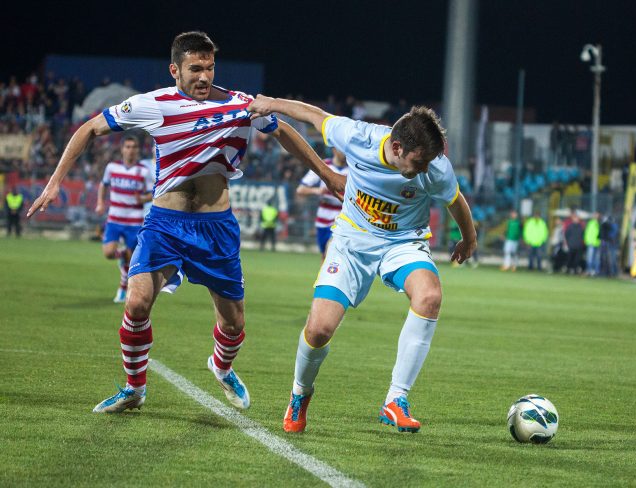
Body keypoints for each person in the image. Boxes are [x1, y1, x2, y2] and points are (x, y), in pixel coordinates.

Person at [27, 31, 345, 414]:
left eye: (210, 68)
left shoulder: (241, 106)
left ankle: (222, 366)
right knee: (138, 302)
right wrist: (55, 180)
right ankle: (134, 388)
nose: (204, 77)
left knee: (233, 324)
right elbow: (89, 128)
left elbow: (286, 134)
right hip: (165, 223)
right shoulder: (153, 104)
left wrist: (328, 176)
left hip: (216, 228)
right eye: (196, 68)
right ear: (175, 69)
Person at [248, 95, 476, 433]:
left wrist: (469, 239)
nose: (425, 169)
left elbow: (454, 201)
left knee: (429, 297)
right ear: (396, 147)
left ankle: (395, 399)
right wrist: (270, 103)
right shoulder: (358, 136)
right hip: (352, 242)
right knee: (319, 329)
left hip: (403, 243)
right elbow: (314, 115)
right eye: (418, 162)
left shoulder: (435, 166)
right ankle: (300, 392)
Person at [96, 135, 154, 303]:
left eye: (134, 147)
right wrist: (100, 203)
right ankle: (120, 255)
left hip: (134, 221)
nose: (130, 150)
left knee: (130, 261)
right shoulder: (112, 167)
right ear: (122, 149)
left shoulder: (143, 171)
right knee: (108, 253)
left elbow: (153, 193)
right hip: (114, 218)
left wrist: (142, 199)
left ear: (137, 150)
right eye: (127, 147)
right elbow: (103, 185)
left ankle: (122, 289)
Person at [296, 147, 348, 259]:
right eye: (342, 149)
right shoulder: (324, 166)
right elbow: (300, 189)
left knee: (332, 251)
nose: (345, 153)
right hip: (323, 217)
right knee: (324, 256)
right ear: (334, 149)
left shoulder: (353, 168)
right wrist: (317, 191)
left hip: (343, 216)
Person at [563, 208, 585, 275]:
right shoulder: (570, 226)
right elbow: (566, 235)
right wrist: (568, 242)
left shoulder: (581, 227)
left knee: (577, 259)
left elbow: (583, 236)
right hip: (571, 245)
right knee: (570, 258)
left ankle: (575, 270)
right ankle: (568, 269)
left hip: (578, 245)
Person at [584, 212, 601, 277]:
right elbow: (587, 232)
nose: (596, 216)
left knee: (596, 258)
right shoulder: (590, 223)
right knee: (590, 257)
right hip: (591, 242)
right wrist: (586, 240)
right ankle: (589, 270)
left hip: (597, 243)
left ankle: (595, 271)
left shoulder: (599, 223)